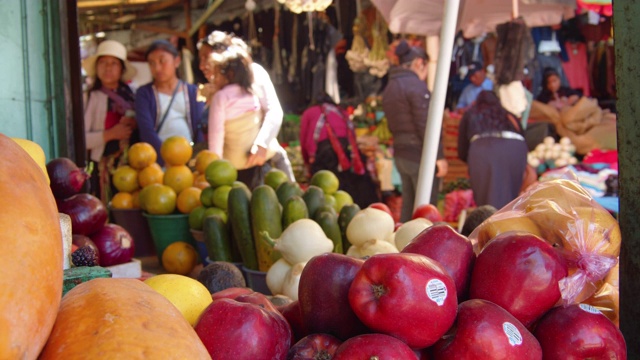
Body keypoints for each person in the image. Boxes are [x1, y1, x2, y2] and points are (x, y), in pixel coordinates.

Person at [197, 31, 295, 181]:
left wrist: (262, 144)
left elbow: (274, 111)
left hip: (264, 159)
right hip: (234, 169)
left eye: (206, 57)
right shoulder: (217, 87)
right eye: (200, 58)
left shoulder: (253, 72)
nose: (202, 65)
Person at [382, 40, 448, 222]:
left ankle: (405, 246)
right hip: (419, 155)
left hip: (402, 155)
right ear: (420, 63)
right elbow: (426, 124)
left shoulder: (391, 86)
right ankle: (423, 248)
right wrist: (439, 156)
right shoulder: (415, 86)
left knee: (409, 206)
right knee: (425, 210)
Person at [206, 45, 280, 189]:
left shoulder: (221, 97)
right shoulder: (252, 92)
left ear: (229, 74)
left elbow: (216, 135)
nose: (214, 79)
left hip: (235, 166)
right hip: (262, 159)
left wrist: (214, 168)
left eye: (216, 74)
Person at [300, 92, 380, 208]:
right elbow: (352, 136)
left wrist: (308, 162)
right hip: (346, 154)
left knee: (326, 194)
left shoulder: (310, 112)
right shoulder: (341, 112)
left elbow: (305, 140)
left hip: (324, 156)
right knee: (347, 190)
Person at [82, 40, 137, 203]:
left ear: (121, 69)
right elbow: (82, 140)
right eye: (103, 62)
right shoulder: (90, 97)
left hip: (131, 165)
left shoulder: (133, 96)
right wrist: (110, 134)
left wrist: (134, 125)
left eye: (113, 63)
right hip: (102, 169)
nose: (108, 68)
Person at [135, 40, 204, 165]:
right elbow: (146, 131)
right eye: (152, 63)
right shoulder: (144, 94)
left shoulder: (193, 91)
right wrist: (167, 159)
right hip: (158, 162)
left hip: (189, 158)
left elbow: (199, 127)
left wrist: (196, 157)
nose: (157, 68)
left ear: (176, 61)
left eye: (162, 61)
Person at [457, 90, 528, 209]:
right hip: (516, 148)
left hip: (483, 149)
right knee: (510, 194)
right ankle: (509, 221)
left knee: (486, 195)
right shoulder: (508, 114)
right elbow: (523, 135)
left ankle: (490, 222)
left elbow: (462, 149)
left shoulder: (471, 114)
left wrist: (471, 162)